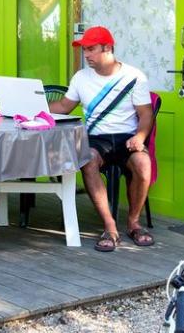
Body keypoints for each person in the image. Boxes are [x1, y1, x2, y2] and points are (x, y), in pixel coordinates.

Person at [48, 26, 155, 252]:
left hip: (127, 137)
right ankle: (110, 227)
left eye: (91, 49)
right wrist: (33, 108)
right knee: (87, 159)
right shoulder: (80, 77)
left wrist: (140, 136)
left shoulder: (134, 77)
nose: (86, 55)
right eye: (84, 50)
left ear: (108, 48)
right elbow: (64, 107)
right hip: (98, 138)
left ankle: (134, 223)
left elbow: (146, 114)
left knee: (143, 163)